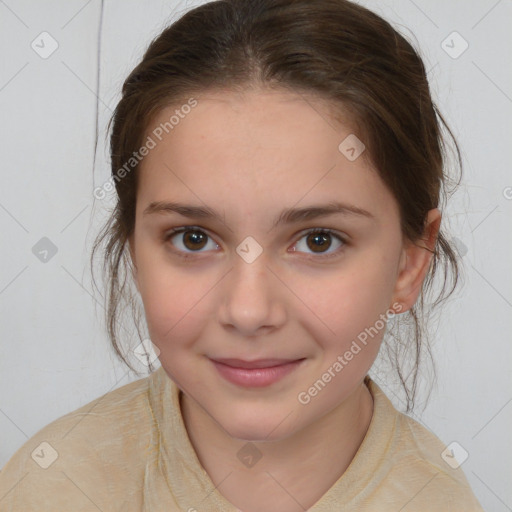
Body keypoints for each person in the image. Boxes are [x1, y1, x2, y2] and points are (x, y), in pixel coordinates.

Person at [0, 0, 485, 510]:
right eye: (193, 238)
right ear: (134, 254)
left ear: (410, 264)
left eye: (319, 240)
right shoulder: (48, 487)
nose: (248, 311)